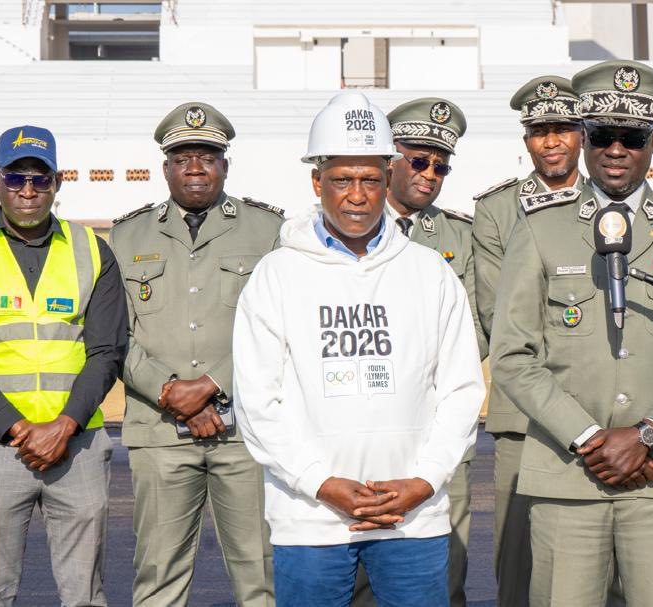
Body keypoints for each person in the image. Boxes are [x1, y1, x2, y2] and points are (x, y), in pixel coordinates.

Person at [490, 59, 653, 606]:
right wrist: (587, 437)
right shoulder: (539, 223)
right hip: (564, 475)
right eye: (603, 135)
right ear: (584, 138)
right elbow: (511, 355)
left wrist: (649, 432)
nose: (616, 150)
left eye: (631, 137)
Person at [232, 91, 485, 607]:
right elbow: (258, 401)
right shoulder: (276, 275)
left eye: (369, 179)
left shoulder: (429, 271)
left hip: (412, 517)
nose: (356, 195)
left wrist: (424, 480)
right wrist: (321, 483)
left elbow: (461, 389)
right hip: (310, 520)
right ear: (316, 182)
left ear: (388, 178)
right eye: (341, 180)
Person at [0, 125, 126, 606]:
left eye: (41, 178)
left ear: (58, 182)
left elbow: (107, 351)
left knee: (86, 597)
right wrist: (18, 428)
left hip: (76, 445)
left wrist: (63, 425)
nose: (29, 190)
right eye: (17, 178)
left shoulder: (92, 249)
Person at [110, 102, 279, 606]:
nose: (195, 167)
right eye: (182, 157)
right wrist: (168, 390)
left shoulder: (267, 231)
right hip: (159, 430)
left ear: (225, 164)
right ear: (165, 167)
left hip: (246, 431)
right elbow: (115, 333)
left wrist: (212, 385)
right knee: (159, 575)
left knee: (261, 574)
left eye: (207, 155)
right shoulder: (127, 235)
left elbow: (278, 326)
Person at [348, 97, 485, 607]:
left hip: (436, 431)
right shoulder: (342, 225)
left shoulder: (461, 238)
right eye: (420, 160)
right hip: (355, 424)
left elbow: (476, 330)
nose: (431, 174)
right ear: (389, 160)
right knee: (357, 569)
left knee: (444, 573)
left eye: (441, 166)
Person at [472, 74, 585, 606]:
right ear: (526, 140)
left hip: (605, 409)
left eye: (562, 128)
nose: (552, 140)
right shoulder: (497, 211)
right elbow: (504, 316)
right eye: (541, 130)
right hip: (524, 413)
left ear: (581, 133)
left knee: (600, 559)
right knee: (516, 562)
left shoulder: (610, 201)